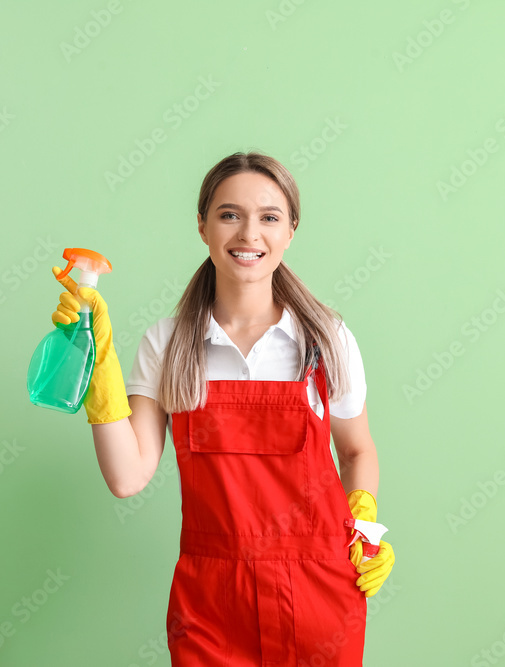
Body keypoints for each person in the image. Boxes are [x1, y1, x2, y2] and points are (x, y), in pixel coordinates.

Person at [51, 151, 395, 665]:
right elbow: (127, 476)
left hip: (320, 589)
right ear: (203, 226)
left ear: (291, 231)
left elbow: (357, 451)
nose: (249, 234)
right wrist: (98, 368)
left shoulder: (327, 339)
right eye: (229, 214)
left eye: (269, 217)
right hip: (211, 601)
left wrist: (362, 525)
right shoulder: (168, 344)